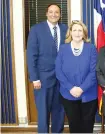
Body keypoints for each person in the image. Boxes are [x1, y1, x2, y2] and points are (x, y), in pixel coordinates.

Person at [26, 4, 67, 133]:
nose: (54, 14)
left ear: (60, 15)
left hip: (61, 79)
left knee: (59, 110)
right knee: (43, 112)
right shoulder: (36, 29)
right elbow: (31, 55)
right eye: (51, 12)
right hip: (42, 79)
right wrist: (35, 78)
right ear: (46, 13)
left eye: (56, 12)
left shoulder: (65, 29)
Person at [55, 20, 98, 133]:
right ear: (70, 33)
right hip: (68, 94)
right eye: (74, 30)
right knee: (74, 125)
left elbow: (94, 72)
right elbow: (59, 71)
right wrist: (71, 88)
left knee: (87, 125)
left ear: (84, 33)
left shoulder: (91, 48)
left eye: (80, 30)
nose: (77, 33)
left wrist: (81, 88)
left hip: (88, 94)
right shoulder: (63, 49)